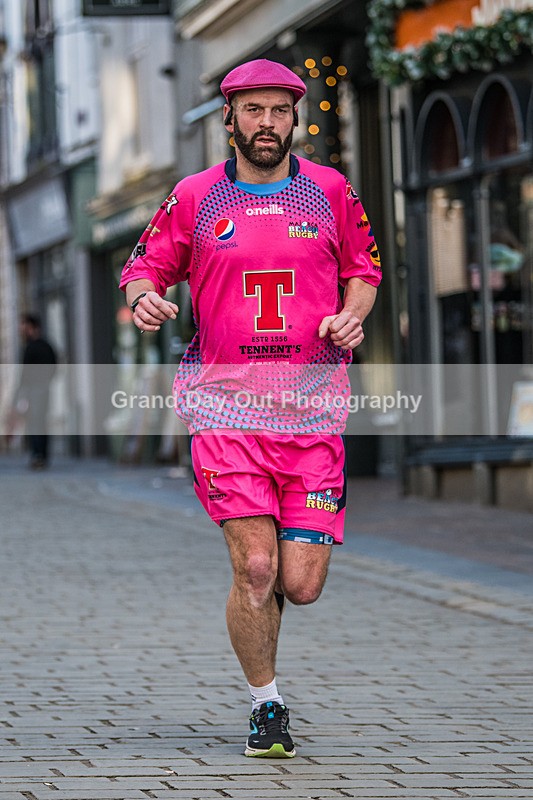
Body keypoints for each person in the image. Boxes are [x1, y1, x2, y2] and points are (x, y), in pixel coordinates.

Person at [120, 59, 381, 758]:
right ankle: (267, 706)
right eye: (253, 110)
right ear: (228, 118)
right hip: (223, 409)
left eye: (279, 110)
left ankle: (271, 640)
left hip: (312, 412)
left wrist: (351, 315)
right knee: (257, 569)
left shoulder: (328, 191)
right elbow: (144, 264)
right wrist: (142, 294)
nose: (267, 123)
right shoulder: (196, 196)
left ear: (295, 117)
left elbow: (364, 271)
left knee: (299, 584)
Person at [17, 314, 57, 469]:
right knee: (42, 421)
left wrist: (22, 391)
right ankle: (42, 455)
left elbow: (25, 372)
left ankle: (37, 455)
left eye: (24, 326)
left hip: (34, 389)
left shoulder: (31, 347)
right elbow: (54, 367)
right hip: (44, 388)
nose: (21, 329)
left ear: (31, 327)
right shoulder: (46, 345)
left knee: (34, 422)